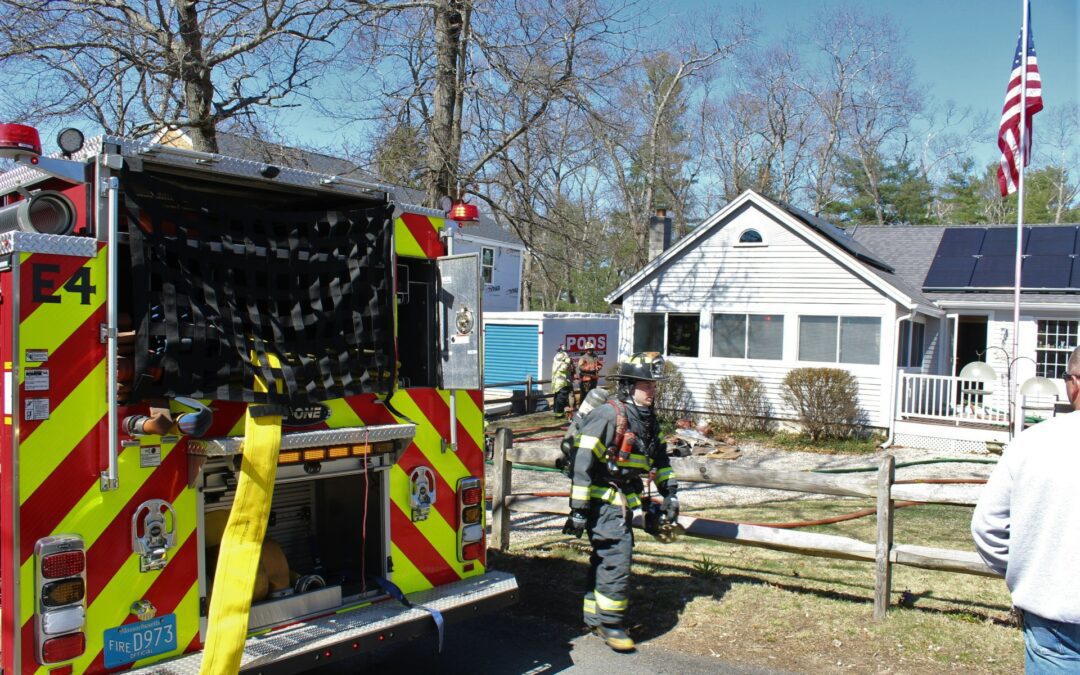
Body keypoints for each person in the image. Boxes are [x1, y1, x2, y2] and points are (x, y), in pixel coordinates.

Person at [971, 346, 1080, 673]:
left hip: (1054, 618)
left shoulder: (1033, 443)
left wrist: (1031, 569)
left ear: (1072, 384)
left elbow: (987, 527)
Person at [562, 352, 678, 652]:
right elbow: (582, 462)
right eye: (646, 384)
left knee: (605, 556)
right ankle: (612, 624)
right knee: (617, 556)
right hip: (602, 500)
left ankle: (594, 617)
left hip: (624, 499)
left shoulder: (648, 420)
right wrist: (577, 510)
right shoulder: (609, 415)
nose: (652, 390)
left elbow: (661, 461)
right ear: (628, 386)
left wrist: (671, 493)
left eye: (654, 385)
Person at [551, 344, 575, 413]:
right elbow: (564, 368)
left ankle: (556, 413)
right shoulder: (565, 356)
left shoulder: (556, 357)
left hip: (556, 381)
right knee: (561, 398)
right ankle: (559, 414)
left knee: (557, 397)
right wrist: (568, 364)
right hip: (562, 381)